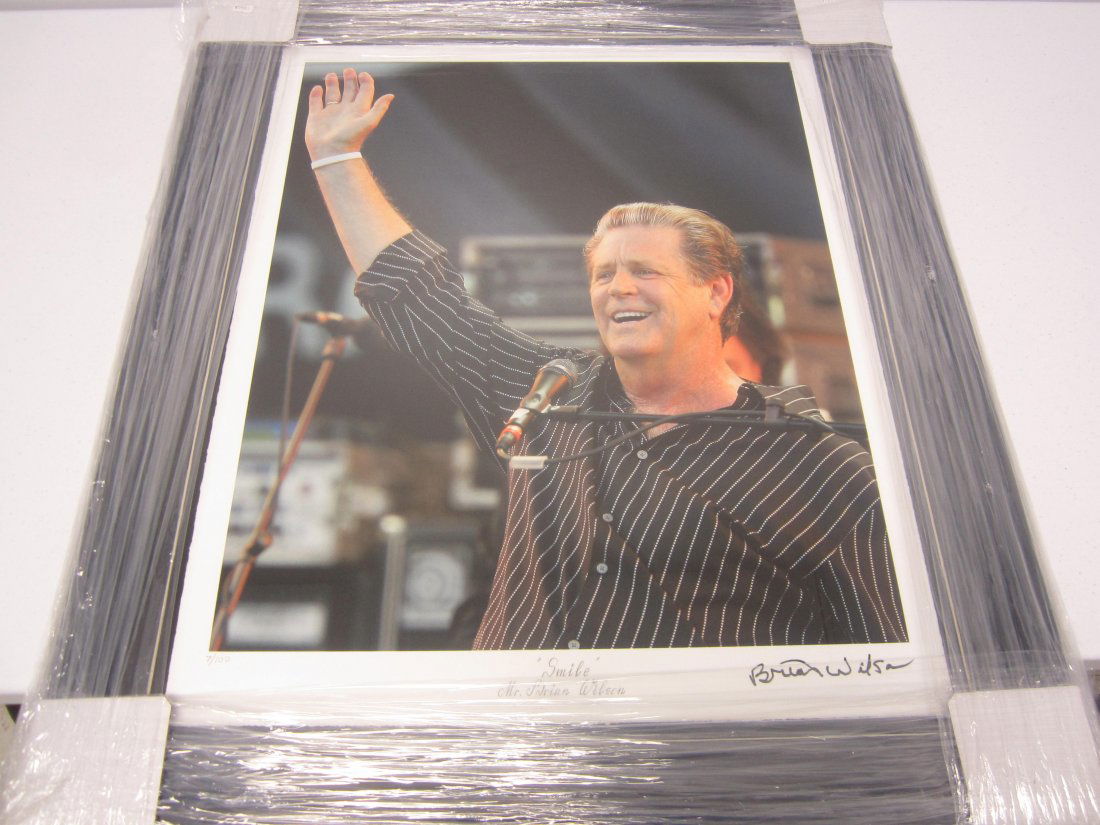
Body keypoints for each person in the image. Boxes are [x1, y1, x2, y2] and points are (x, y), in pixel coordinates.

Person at [306, 69, 907, 648]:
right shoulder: (548, 393)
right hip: (529, 717)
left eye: (645, 271)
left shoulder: (813, 460)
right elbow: (419, 295)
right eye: (603, 275)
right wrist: (337, 160)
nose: (619, 288)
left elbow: (881, 651)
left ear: (716, 291)